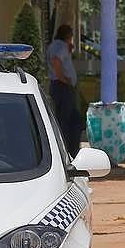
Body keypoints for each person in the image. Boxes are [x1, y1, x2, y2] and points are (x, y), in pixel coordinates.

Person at [46, 24, 83, 159]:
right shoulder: (61, 46)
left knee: (68, 118)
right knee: (68, 119)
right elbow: (56, 60)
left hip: (59, 85)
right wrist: (63, 78)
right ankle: (69, 151)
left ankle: (69, 149)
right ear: (68, 35)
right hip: (62, 86)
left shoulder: (55, 45)